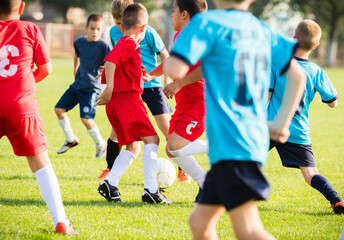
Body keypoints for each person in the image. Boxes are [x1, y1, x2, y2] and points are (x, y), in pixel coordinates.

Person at [163, 0, 306, 238]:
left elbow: (176, 69)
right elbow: (297, 75)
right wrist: (281, 123)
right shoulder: (261, 29)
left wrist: (169, 58)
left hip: (234, 143)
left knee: (249, 230)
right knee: (200, 223)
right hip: (242, 141)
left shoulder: (206, 24)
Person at [0, 0, 78, 234]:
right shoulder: (30, 29)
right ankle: (61, 222)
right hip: (21, 107)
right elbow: (45, 68)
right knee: (41, 165)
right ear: (21, 7)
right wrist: (19, 86)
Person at [97, 0, 184, 182]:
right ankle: (110, 169)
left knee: (165, 128)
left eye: (123, 22)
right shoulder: (116, 33)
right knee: (119, 132)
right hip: (129, 89)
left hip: (151, 85)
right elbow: (116, 59)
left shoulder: (149, 33)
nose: (122, 27)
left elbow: (165, 56)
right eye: (119, 23)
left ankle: (182, 167)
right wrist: (110, 81)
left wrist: (163, 81)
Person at [268, 19, 344, 214]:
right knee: (311, 174)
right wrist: (332, 94)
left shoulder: (280, 64)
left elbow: (266, 95)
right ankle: (335, 198)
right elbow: (333, 102)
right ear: (316, 45)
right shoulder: (318, 72)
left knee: (245, 158)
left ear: (294, 39)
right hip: (298, 132)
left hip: (272, 125)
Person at [145, 0, 208, 200]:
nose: (171, 15)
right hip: (184, 104)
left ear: (184, 14)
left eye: (174, 11)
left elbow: (205, 68)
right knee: (172, 151)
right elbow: (172, 62)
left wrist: (178, 84)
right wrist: (150, 75)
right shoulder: (181, 36)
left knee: (175, 146)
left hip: (198, 103)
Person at [54, 14, 110, 159]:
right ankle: (70, 139)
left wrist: (107, 80)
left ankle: (101, 144)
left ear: (102, 29)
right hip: (77, 85)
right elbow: (76, 56)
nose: (95, 32)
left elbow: (111, 64)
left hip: (92, 88)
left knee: (86, 118)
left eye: (98, 29)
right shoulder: (79, 42)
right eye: (92, 28)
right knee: (58, 109)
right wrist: (75, 71)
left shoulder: (104, 46)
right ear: (86, 28)